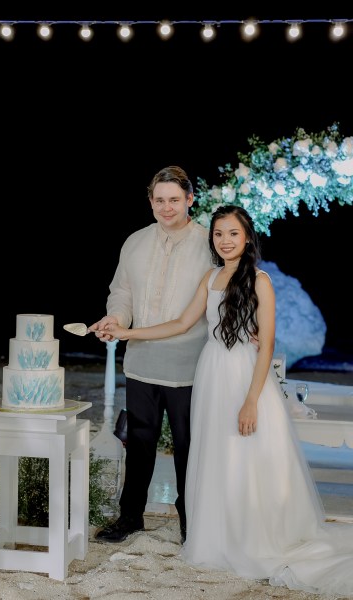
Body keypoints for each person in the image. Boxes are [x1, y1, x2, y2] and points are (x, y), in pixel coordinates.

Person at [100, 205, 353, 597]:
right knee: (216, 455)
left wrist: (252, 400)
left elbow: (266, 344)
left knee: (246, 457)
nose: (225, 240)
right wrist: (127, 333)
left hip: (245, 378)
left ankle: (251, 537)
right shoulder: (211, 276)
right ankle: (218, 536)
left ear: (247, 237)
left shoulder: (261, 281)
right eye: (219, 234)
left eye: (233, 233)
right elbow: (182, 324)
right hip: (212, 373)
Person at [89, 165, 214, 544]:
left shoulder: (209, 243)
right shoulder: (135, 242)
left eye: (174, 199)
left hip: (190, 366)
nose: (167, 207)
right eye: (159, 200)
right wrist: (115, 317)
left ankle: (192, 520)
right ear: (150, 201)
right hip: (142, 361)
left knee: (189, 448)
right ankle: (131, 517)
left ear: (190, 199)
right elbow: (121, 292)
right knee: (139, 443)